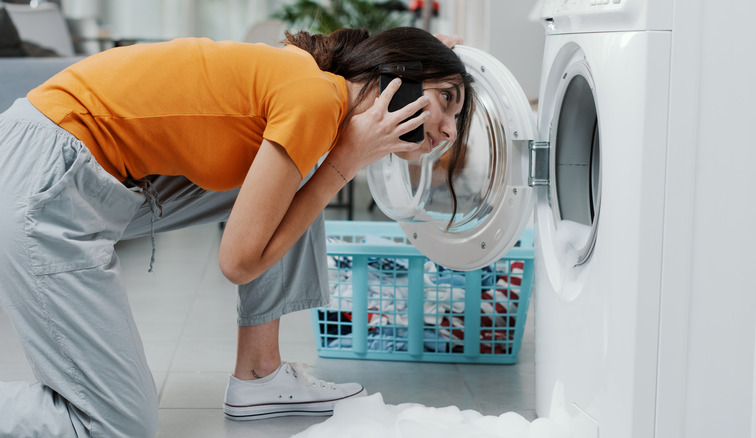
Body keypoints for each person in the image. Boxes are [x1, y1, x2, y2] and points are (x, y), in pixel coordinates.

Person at [0, 26, 473, 437]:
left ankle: (259, 376)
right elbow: (238, 262)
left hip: (78, 170)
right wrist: (343, 164)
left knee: (300, 179)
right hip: (47, 176)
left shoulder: (313, 81)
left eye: (457, 120)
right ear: (402, 77)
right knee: (115, 424)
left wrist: (431, 63)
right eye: (448, 101)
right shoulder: (315, 99)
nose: (450, 131)